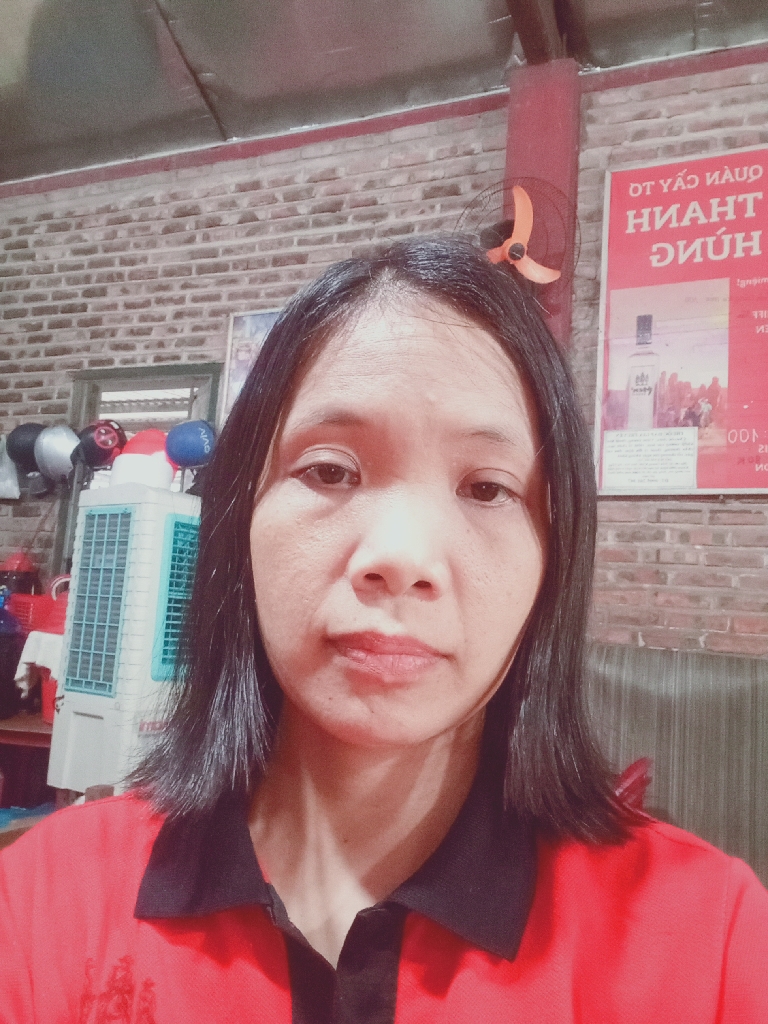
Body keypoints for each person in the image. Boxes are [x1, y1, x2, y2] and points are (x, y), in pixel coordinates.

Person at [1, 236, 767, 1023]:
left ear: (554, 558)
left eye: (487, 488)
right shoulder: (43, 907)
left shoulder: (711, 941)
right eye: (330, 470)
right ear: (239, 524)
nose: (400, 557)